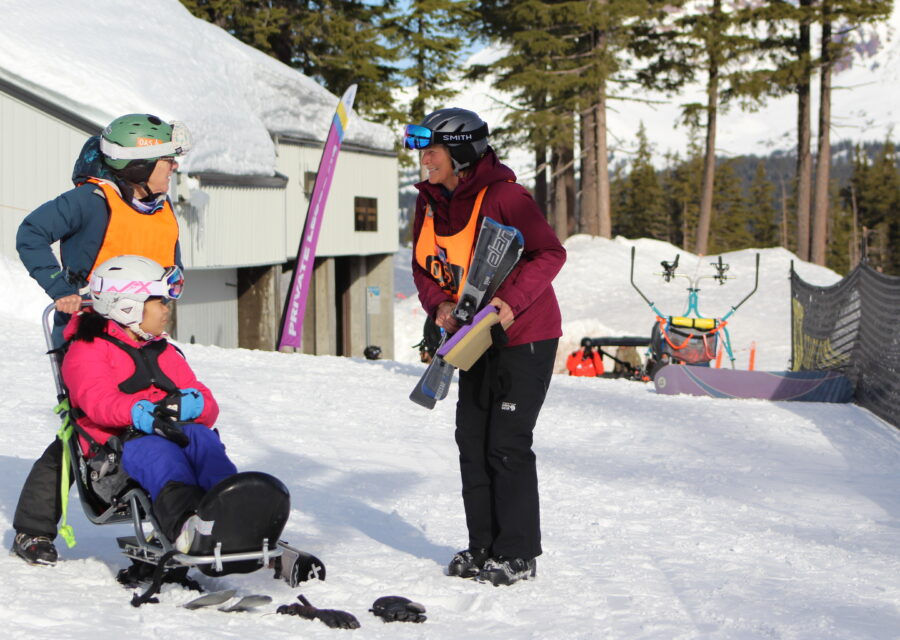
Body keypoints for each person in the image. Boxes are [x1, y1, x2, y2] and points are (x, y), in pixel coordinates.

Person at [11, 114, 190, 565]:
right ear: (136, 164)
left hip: (143, 336)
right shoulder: (91, 201)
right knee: (84, 433)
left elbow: (171, 259)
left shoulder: (162, 205)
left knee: (167, 422)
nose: (174, 168)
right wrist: (61, 291)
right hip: (89, 335)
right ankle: (33, 529)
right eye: (167, 161)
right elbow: (30, 233)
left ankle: (181, 520)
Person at [404, 108, 566, 586]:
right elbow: (421, 265)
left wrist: (509, 302)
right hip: (471, 339)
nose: (424, 160)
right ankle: (483, 547)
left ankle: (517, 553)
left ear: (460, 153)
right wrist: (439, 306)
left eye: (432, 151)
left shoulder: (506, 197)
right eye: (423, 150)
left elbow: (551, 253)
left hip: (525, 336)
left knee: (507, 444)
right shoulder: (430, 202)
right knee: (472, 443)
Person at [61, 255, 236, 551]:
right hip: (116, 457)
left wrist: (194, 405)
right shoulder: (87, 350)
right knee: (158, 451)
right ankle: (185, 525)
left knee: (202, 437)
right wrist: (138, 412)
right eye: (159, 302)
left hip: (169, 435)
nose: (167, 310)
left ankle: (234, 510)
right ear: (127, 304)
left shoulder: (163, 351)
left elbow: (207, 403)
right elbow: (97, 401)